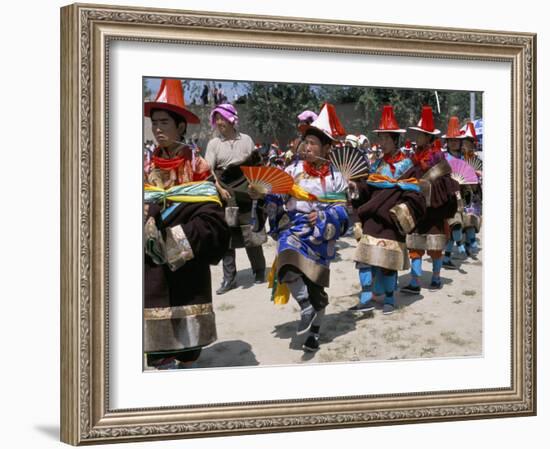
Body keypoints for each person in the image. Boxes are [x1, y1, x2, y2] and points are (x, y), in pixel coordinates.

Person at [143, 79, 230, 369]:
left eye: (164, 122)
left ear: (181, 126)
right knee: (157, 349)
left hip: (187, 263)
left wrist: (174, 238)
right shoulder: (144, 167)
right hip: (152, 268)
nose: (157, 129)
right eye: (154, 122)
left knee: (187, 350)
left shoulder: (198, 167)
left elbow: (213, 221)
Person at [250, 103, 350, 352]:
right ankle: (304, 305)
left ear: (327, 148)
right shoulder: (292, 170)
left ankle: (314, 333)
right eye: (305, 142)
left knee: (318, 290)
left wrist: (325, 217)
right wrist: (261, 193)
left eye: (314, 143)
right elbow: (276, 195)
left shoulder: (337, 177)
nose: (307, 147)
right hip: (295, 230)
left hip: (320, 238)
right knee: (286, 260)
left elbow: (343, 210)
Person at [349, 105, 426, 315]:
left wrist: (401, 209)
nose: (381, 143)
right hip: (373, 218)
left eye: (385, 139)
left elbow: (414, 193)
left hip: (392, 220)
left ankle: (390, 298)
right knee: (364, 257)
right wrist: (357, 187)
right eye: (379, 138)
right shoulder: (376, 165)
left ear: (395, 140)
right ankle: (366, 295)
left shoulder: (408, 165)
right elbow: (369, 187)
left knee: (387, 263)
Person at [205, 103, 267, 294]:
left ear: (231, 119)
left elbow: (255, 166)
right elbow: (208, 171)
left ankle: (259, 271)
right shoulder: (214, 144)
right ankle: (229, 279)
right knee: (227, 237)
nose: (219, 122)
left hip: (247, 193)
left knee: (251, 232)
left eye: (222, 118)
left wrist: (255, 187)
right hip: (225, 193)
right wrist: (219, 189)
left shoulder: (246, 140)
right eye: (217, 119)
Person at [401, 106, 460, 294]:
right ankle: (415, 282)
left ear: (428, 137)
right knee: (415, 245)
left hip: (434, 209)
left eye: (420, 135)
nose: (417, 138)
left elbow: (444, 180)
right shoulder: (413, 156)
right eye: (417, 134)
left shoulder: (438, 156)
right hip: (418, 208)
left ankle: (435, 278)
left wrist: (430, 187)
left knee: (435, 246)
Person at [441, 116, 467, 269]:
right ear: (447, 142)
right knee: (455, 224)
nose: (454, 143)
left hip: (460, 197)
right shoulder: (444, 158)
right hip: (447, 196)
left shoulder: (464, 158)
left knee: (454, 226)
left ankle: (447, 258)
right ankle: (460, 244)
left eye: (456, 140)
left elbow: (467, 177)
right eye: (451, 140)